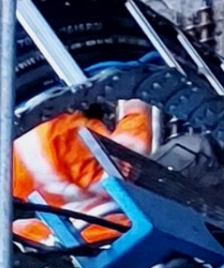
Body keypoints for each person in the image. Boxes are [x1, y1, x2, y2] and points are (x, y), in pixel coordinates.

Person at [11, 102, 153, 246]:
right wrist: (136, 109)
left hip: (82, 248)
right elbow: (128, 153)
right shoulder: (66, 130)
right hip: (128, 227)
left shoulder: (8, 164)